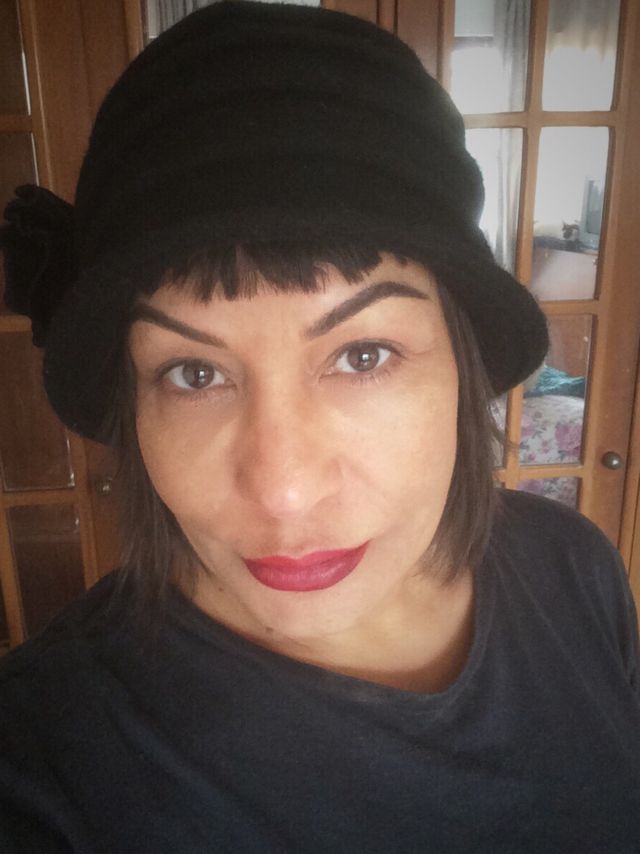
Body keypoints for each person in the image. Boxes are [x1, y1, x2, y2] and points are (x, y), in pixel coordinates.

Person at [0, 2, 638, 851]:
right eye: (195, 374)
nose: (285, 490)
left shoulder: (573, 570)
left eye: (364, 355)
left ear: (463, 368)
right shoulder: (44, 757)